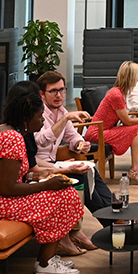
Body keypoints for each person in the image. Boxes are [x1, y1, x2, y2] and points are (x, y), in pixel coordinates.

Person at [0, 81, 85, 274]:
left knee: (63, 192)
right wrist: (46, 184)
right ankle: (45, 263)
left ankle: (48, 258)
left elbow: (9, 177)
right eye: (39, 117)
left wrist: (41, 175)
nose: (41, 122)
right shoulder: (12, 139)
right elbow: (7, 188)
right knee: (64, 197)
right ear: (25, 118)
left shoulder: (5, 129)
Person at [32, 71, 104, 256]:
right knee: (81, 178)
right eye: (53, 91)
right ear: (42, 94)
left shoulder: (62, 112)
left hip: (54, 162)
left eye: (62, 90)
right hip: (39, 166)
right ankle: (104, 224)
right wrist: (65, 119)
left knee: (91, 171)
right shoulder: (37, 113)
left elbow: (73, 137)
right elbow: (42, 141)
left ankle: (114, 216)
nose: (59, 95)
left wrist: (81, 144)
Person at [84, 60, 138, 185]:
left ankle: (137, 168)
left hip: (103, 130)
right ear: (131, 77)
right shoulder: (116, 95)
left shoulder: (120, 92)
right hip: (97, 133)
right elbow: (127, 121)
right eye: (137, 75)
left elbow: (125, 119)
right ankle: (136, 169)